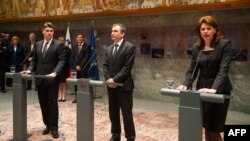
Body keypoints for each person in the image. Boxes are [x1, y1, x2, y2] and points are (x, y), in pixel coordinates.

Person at [176, 15, 233, 141]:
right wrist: (186, 83)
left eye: (208, 28)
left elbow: (223, 69)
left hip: (219, 92)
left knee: (214, 130)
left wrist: (214, 89)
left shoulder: (224, 45)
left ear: (215, 30)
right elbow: (192, 69)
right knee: (206, 128)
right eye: (203, 29)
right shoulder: (197, 48)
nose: (205, 31)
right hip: (201, 92)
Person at [22, 22, 65, 138]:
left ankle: (54, 128)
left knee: (53, 104)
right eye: (47, 31)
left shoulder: (58, 45)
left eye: (51, 31)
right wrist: (29, 70)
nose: (50, 33)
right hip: (40, 80)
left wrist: (55, 72)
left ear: (53, 32)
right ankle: (47, 125)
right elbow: (34, 60)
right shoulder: (38, 44)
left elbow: (62, 61)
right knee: (43, 104)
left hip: (52, 80)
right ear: (43, 31)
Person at [103, 23, 136, 141]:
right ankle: (115, 135)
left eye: (115, 31)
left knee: (127, 115)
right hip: (111, 87)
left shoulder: (129, 47)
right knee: (113, 113)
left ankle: (130, 138)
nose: (112, 33)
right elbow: (105, 66)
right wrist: (108, 79)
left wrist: (115, 79)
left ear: (122, 34)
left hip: (124, 87)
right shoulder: (108, 48)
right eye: (112, 31)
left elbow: (127, 68)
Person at [71, 33, 90, 103]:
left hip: (83, 68)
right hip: (75, 69)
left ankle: (83, 98)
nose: (79, 39)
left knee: (83, 83)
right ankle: (76, 97)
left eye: (80, 37)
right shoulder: (74, 46)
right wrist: (76, 65)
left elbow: (86, 57)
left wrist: (80, 66)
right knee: (76, 83)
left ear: (83, 38)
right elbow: (72, 57)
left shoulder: (87, 47)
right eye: (78, 37)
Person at [57, 35, 70, 102]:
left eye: (63, 40)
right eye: (60, 40)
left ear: (64, 41)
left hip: (65, 67)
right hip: (58, 67)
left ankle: (64, 95)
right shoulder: (56, 48)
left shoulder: (67, 49)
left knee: (64, 82)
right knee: (59, 82)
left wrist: (62, 63)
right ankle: (60, 95)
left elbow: (68, 58)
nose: (61, 41)